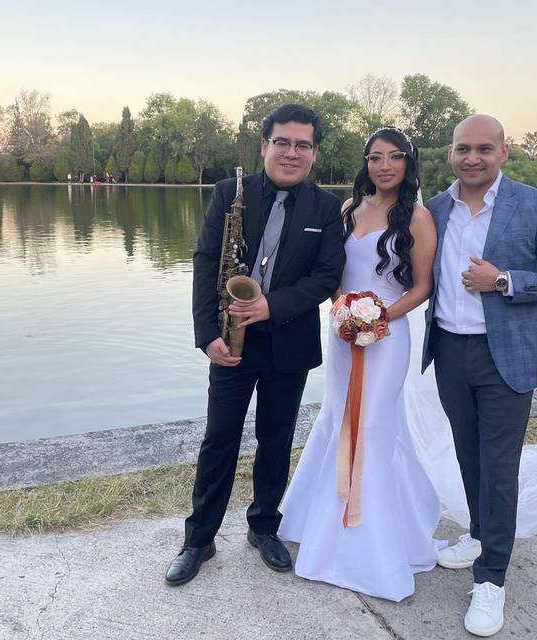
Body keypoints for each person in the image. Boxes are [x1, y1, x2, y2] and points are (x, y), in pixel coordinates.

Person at [164, 104, 346, 586]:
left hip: (288, 341)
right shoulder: (229, 194)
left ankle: (264, 526)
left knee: (276, 438)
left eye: (302, 145)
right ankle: (199, 540)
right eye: (282, 142)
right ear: (264, 146)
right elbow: (207, 261)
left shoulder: (328, 209)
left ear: (314, 153)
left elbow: (328, 276)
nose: (291, 152)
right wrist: (207, 335)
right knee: (219, 440)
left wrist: (273, 305)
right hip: (230, 341)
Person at [423, 115, 537, 636]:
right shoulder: (434, 210)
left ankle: (491, 579)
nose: (473, 158)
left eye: (484, 149)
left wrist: (504, 280)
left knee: (498, 464)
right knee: (467, 454)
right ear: (450, 153)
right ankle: (478, 532)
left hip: (505, 357)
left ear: (504, 152)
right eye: (463, 149)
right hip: (448, 350)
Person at [278, 127, 441, 601]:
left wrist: (377, 318)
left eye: (393, 157)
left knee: (371, 427)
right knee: (335, 419)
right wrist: (342, 309)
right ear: (364, 163)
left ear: (408, 164)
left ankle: (371, 543)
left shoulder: (419, 218)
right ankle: (319, 524)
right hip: (344, 331)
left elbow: (422, 287)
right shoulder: (348, 211)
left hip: (387, 336)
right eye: (374, 157)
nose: (383, 166)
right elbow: (333, 273)